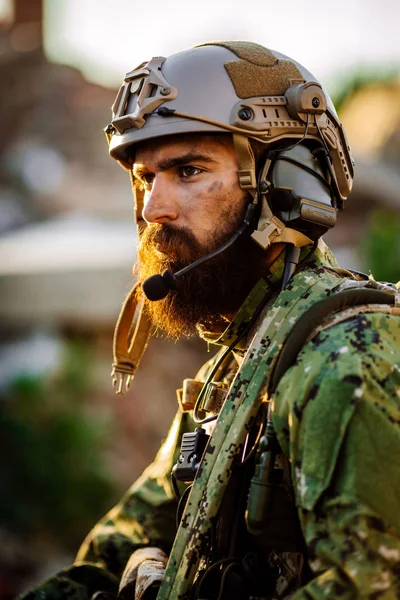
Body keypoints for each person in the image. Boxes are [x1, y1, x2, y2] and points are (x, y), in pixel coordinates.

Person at [21, 41, 400, 600]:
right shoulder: (239, 364)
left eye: (188, 170)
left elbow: (373, 587)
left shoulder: (345, 361)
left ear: (287, 185)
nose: (154, 209)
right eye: (148, 178)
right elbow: (118, 546)